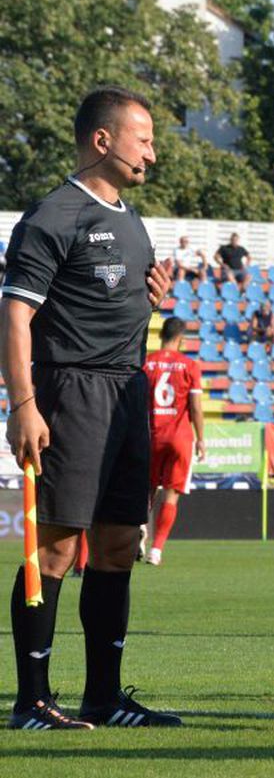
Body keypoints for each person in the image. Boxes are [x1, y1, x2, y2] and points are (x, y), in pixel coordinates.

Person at [0, 85, 177, 729]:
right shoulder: (53, 215)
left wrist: (150, 299)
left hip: (128, 390)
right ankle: (32, 701)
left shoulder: (129, 218)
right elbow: (16, 313)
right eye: (145, 139)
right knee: (56, 548)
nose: (152, 154)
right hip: (69, 392)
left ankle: (104, 697)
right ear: (103, 141)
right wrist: (23, 403)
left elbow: (108, 302)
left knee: (116, 547)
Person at [142, 317, 205, 566]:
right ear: (181, 339)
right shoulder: (190, 365)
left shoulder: (147, 364)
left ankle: (139, 529)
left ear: (161, 336)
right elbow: (197, 408)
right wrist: (201, 439)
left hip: (151, 435)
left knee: (146, 490)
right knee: (171, 493)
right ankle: (156, 550)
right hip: (180, 437)